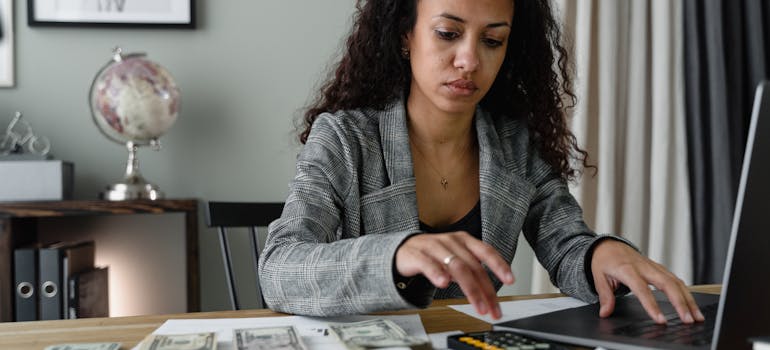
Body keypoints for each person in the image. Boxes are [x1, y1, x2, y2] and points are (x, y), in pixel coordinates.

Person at [258, 0, 704, 325]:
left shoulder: (514, 144)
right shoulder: (345, 138)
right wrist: (395, 255)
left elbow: (566, 245)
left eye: (493, 40)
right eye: (448, 34)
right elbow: (279, 268)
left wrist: (602, 253)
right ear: (405, 36)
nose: (470, 60)